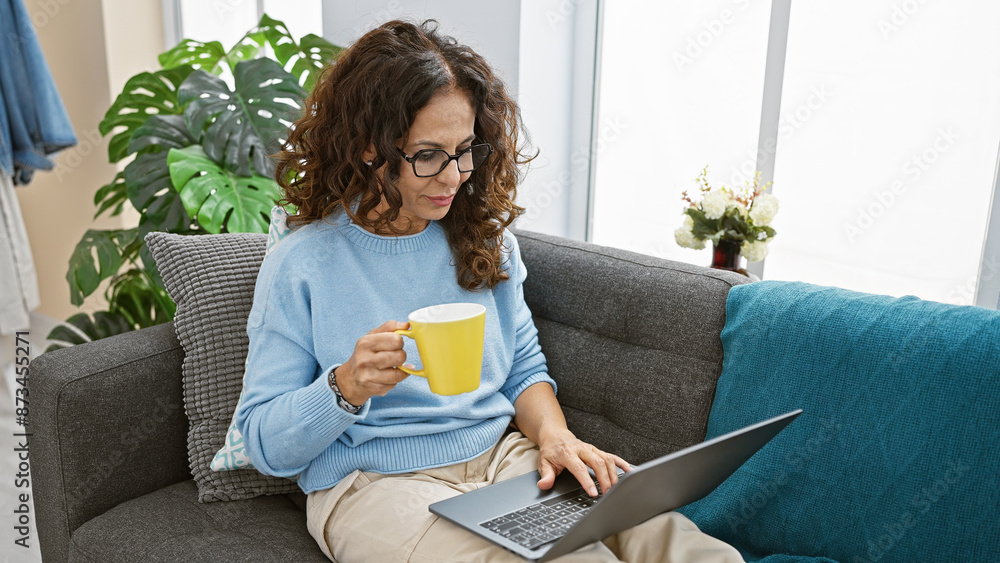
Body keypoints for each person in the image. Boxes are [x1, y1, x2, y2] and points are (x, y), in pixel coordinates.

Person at [237, 19, 743, 563]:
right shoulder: (305, 262)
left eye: (465, 150)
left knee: (677, 542)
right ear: (368, 148)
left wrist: (555, 436)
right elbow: (264, 443)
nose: (454, 177)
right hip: (375, 484)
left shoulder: (482, 239)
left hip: (502, 457)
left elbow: (522, 365)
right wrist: (344, 387)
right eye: (427, 154)